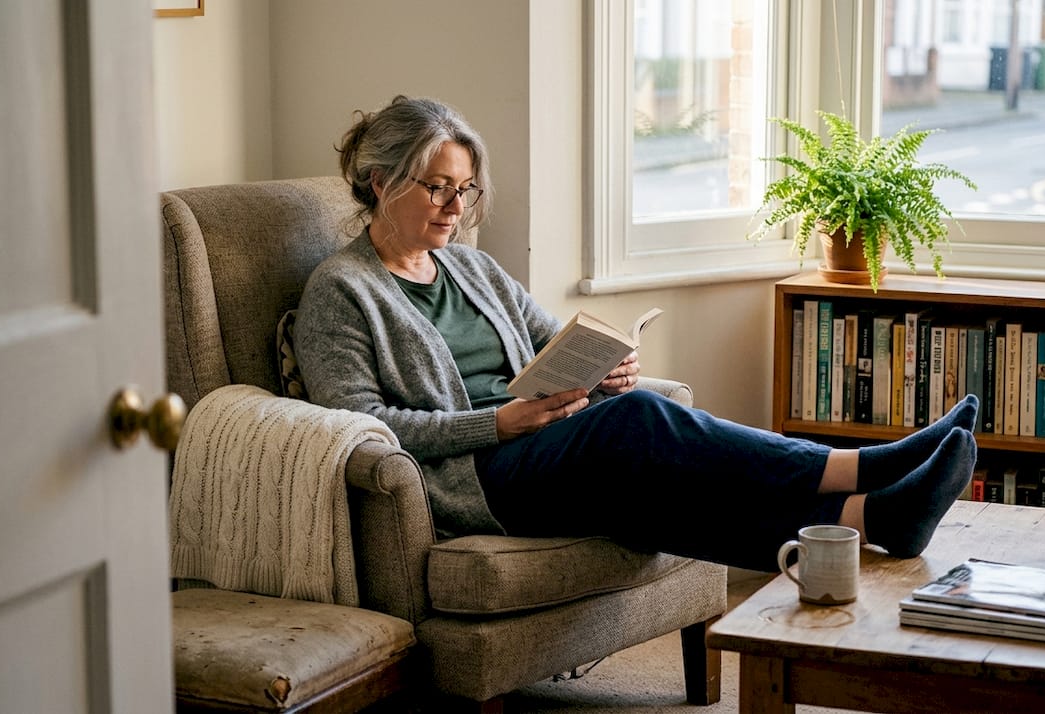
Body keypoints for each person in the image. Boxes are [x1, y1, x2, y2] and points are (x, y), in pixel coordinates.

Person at [294, 95, 978, 572]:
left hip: (539, 443)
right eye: (437, 187)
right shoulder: (342, 290)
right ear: (381, 182)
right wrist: (497, 424)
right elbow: (357, 422)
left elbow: (549, 337)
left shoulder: (470, 267)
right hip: (474, 475)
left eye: (465, 189)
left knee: (648, 500)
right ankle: (853, 465)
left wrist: (602, 367)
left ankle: (870, 520)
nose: (456, 206)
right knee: (643, 417)